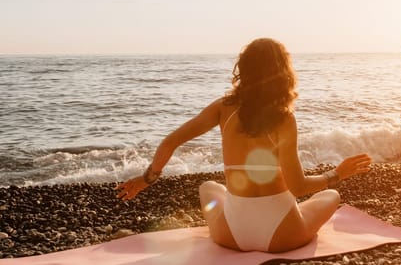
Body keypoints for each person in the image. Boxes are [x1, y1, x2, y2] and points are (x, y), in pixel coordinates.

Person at [115, 38, 372, 253]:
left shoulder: (222, 108)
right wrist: (336, 174)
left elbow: (171, 141)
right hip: (283, 237)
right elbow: (298, 186)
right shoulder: (284, 117)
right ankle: (302, 209)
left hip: (232, 237)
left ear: (244, 69)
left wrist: (147, 178)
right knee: (331, 195)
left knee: (209, 187)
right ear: (283, 72)